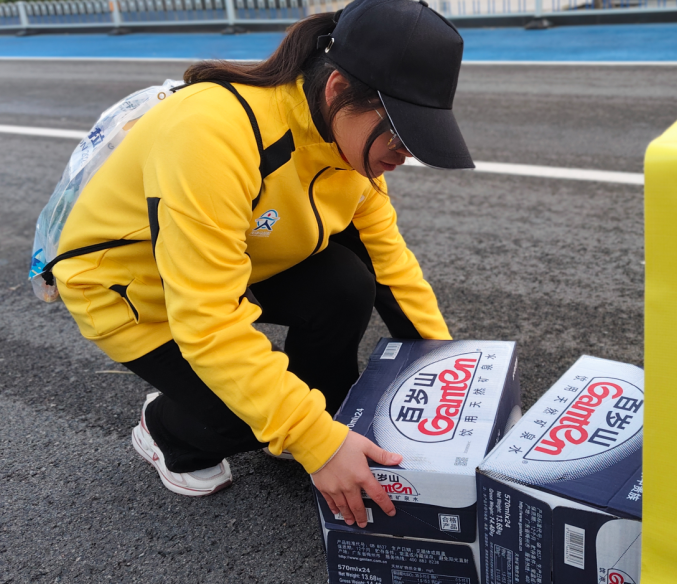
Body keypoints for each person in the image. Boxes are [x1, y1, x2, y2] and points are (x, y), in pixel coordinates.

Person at [50, 0, 474, 529]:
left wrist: (451, 373)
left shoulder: (348, 153)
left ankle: (313, 412)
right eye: (399, 131)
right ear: (338, 89)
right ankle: (165, 431)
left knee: (347, 282)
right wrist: (313, 439)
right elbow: (207, 320)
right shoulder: (212, 131)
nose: (405, 153)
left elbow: (394, 270)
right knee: (244, 417)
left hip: (234, 261)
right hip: (133, 289)